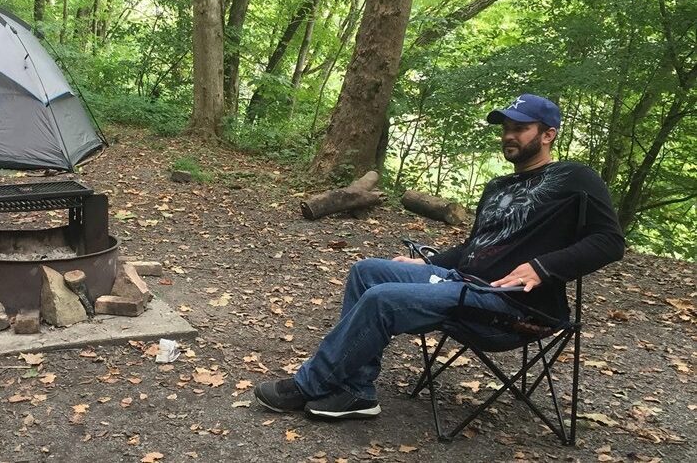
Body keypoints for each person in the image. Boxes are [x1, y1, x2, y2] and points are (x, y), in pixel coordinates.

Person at [255, 94, 625, 420]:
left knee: (383, 300)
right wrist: (432, 263)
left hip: (510, 302)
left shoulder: (576, 177)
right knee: (367, 272)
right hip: (462, 283)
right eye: (506, 127)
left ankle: (308, 385)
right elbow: (476, 248)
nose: (509, 135)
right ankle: (357, 392)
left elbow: (609, 241)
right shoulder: (499, 187)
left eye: (521, 128)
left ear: (548, 134)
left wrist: (542, 268)